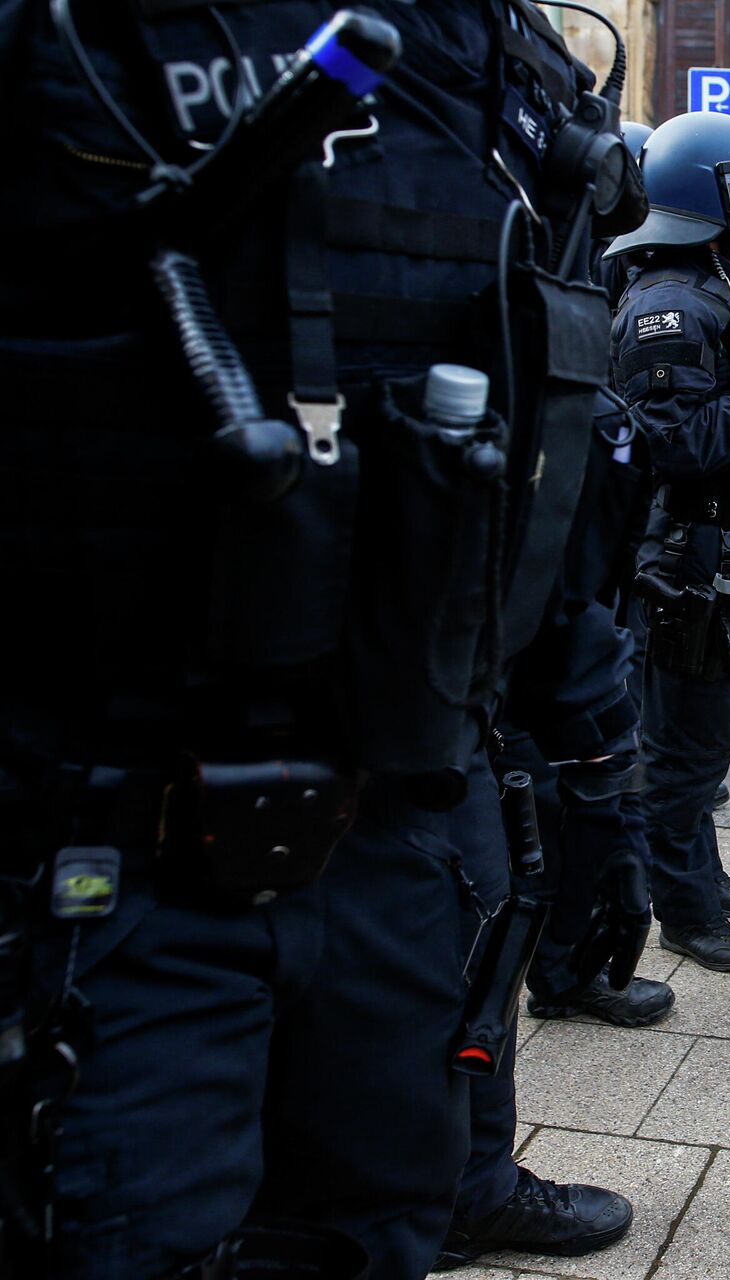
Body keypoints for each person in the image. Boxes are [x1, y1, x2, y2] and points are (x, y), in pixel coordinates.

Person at [3, 5, 650, 1275]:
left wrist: (591, 759)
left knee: (370, 1227)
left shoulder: (501, 63)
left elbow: (542, 436)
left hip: (394, 818)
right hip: (106, 840)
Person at [604, 111, 730, 971]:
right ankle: (681, 910)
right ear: (704, 199)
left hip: (718, 544)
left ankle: (699, 873)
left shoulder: (705, 289)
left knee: (703, 737)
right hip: (685, 554)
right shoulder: (671, 306)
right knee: (684, 742)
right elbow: (675, 444)